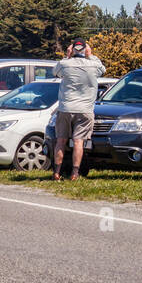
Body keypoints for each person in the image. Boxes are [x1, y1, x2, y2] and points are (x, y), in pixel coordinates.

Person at [52, 39, 106, 180]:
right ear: (85, 50)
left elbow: (55, 72)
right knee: (78, 141)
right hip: (84, 109)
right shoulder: (93, 65)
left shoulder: (65, 64)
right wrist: (90, 55)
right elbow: (103, 70)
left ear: (72, 49)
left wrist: (67, 56)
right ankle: (75, 173)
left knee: (60, 141)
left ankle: (56, 172)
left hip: (66, 107)